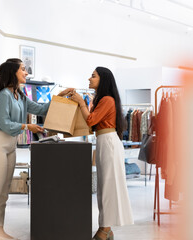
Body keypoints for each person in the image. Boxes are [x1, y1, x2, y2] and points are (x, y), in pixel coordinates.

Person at [0, 58, 73, 240]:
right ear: (13, 72)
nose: (26, 72)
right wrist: (27, 127)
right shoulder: (5, 95)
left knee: (4, 191)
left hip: (10, 145)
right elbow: (4, 123)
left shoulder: (19, 95)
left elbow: (40, 108)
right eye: (23, 69)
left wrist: (60, 96)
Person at [70, 67, 134, 240]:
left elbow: (91, 120)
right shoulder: (104, 99)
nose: (89, 79)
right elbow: (92, 123)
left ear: (103, 79)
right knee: (104, 186)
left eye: (93, 76)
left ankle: (104, 230)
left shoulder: (107, 99)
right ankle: (106, 229)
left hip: (108, 143)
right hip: (104, 141)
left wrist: (81, 103)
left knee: (107, 187)